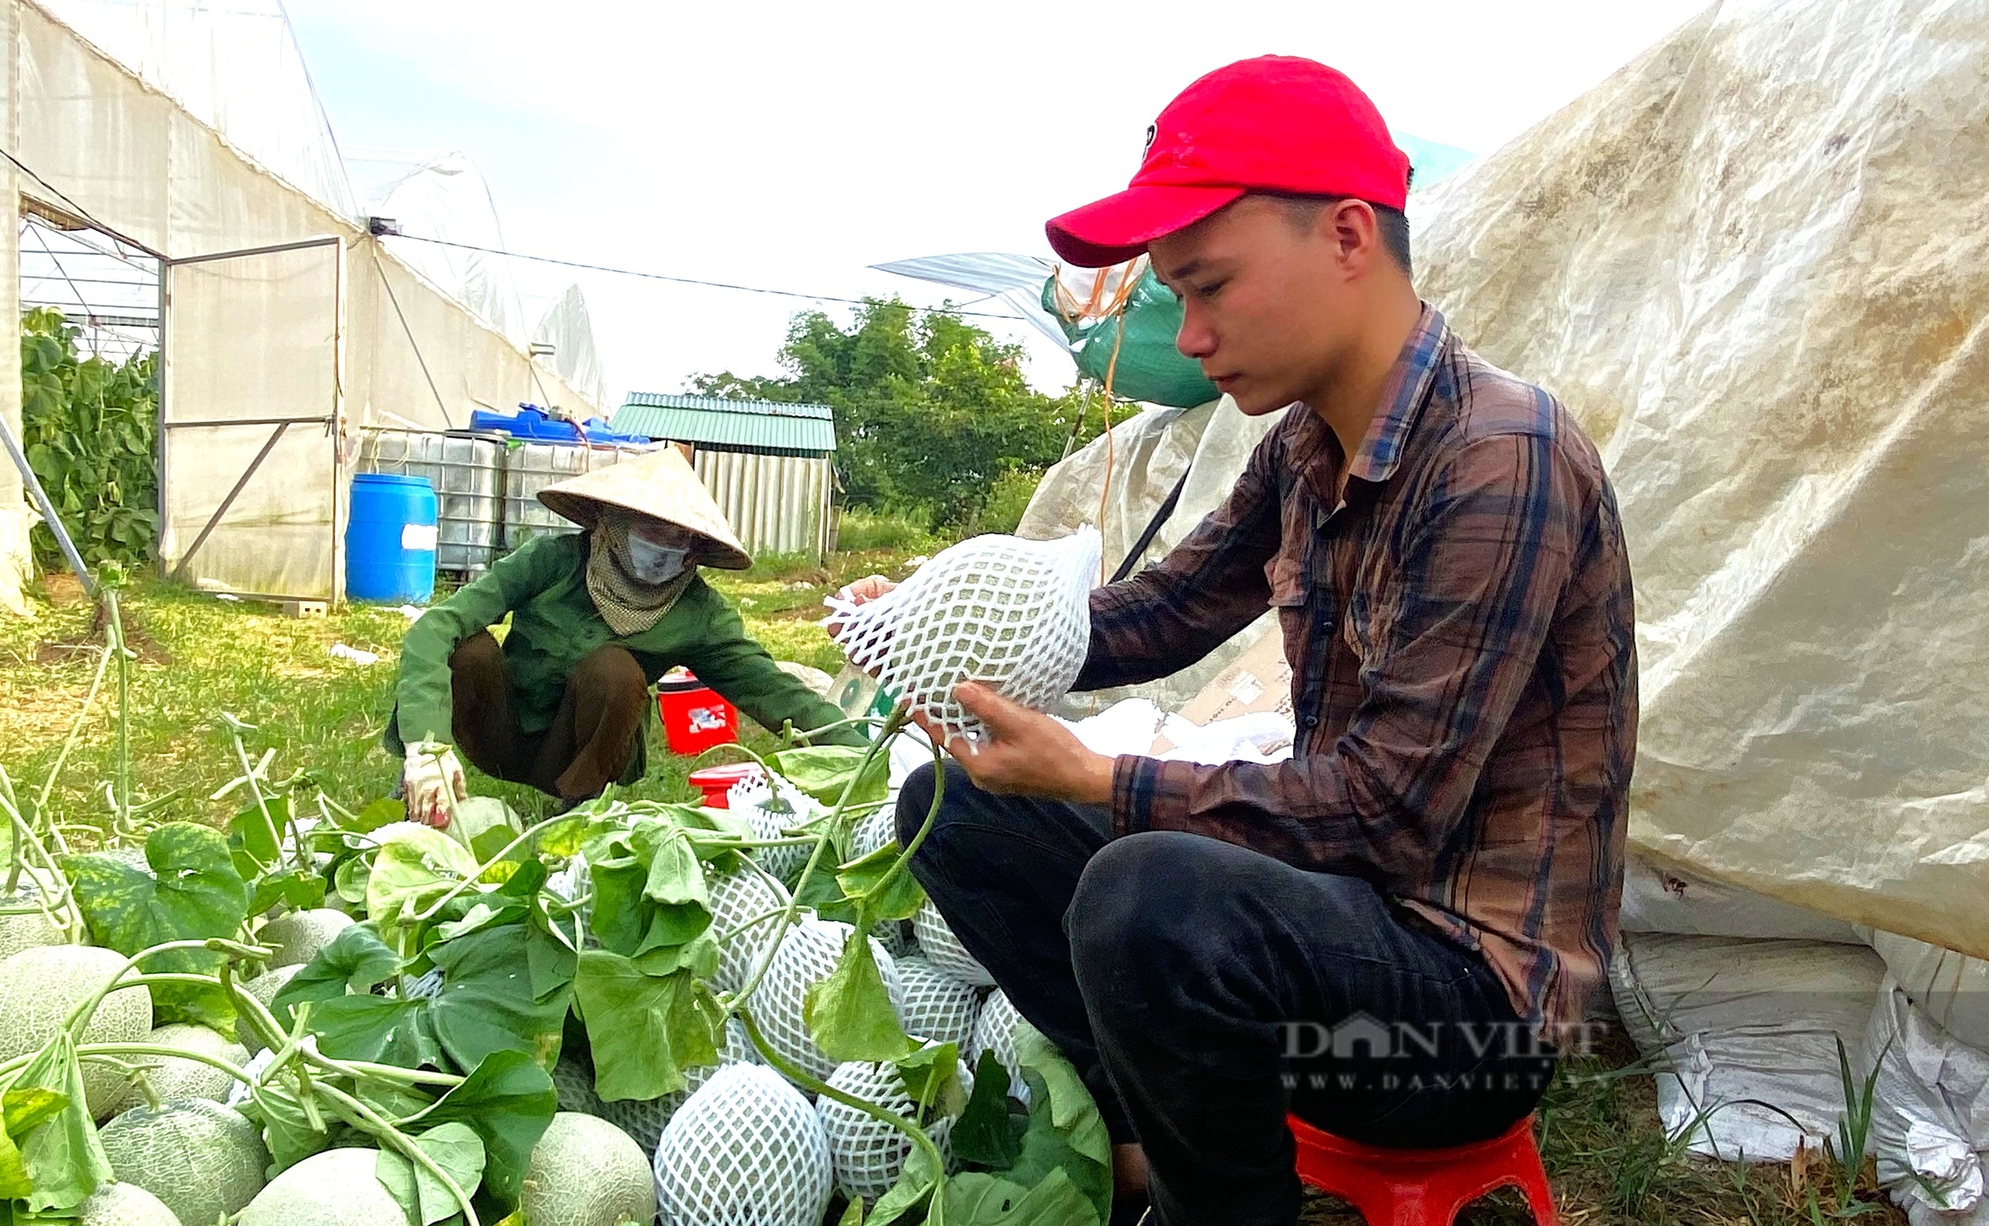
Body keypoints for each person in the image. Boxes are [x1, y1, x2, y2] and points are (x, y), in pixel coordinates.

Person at [842, 57, 1636, 1226]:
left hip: (1462, 1022)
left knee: (1148, 893)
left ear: (1348, 237)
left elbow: (1383, 810)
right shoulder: (1303, 447)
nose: (1194, 334)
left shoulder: (1497, 456)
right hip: (1337, 939)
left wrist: (1099, 776)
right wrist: (936, 629)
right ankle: (1145, 1144)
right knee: (951, 809)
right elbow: (1166, 607)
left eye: (1208, 286)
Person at [388, 445, 863, 825]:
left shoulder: (699, 613)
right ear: (611, 522)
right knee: (469, 649)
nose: (664, 546)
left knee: (615, 669)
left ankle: (578, 811)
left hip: (581, 755)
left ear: (695, 550)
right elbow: (438, 626)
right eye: (651, 528)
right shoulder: (551, 561)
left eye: (680, 537)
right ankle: (417, 788)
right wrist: (424, 747)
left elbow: (773, 691)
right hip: (501, 729)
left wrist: (867, 753)